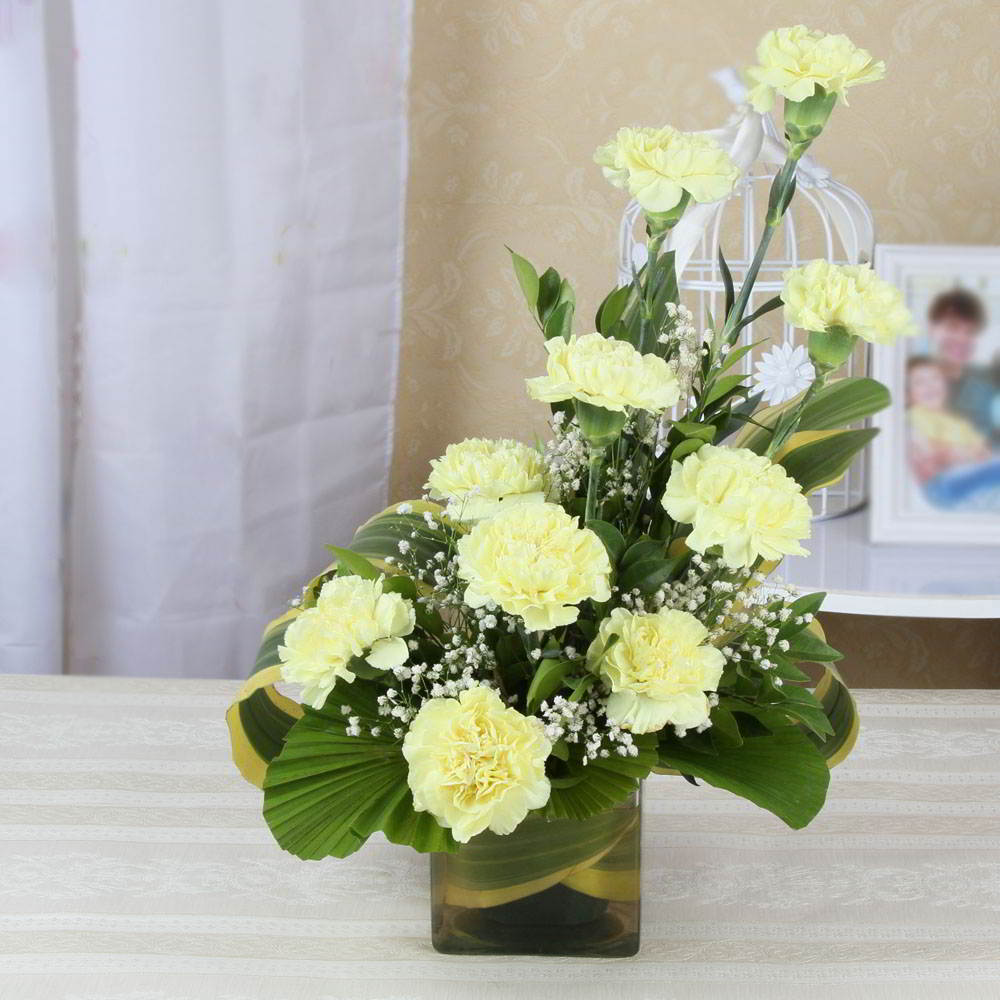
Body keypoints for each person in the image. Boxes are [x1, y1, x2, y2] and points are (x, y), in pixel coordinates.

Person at [925, 289, 996, 444]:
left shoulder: (987, 383)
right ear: (931, 329)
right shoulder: (908, 382)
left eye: (970, 331)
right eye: (953, 327)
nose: (962, 338)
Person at [906, 356, 989, 485]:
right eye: (920, 382)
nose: (930, 386)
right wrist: (964, 452)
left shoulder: (959, 422)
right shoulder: (916, 416)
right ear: (908, 394)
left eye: (935, 378)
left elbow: (982, 451)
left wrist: (966, 453)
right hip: (948, 481)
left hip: (972, 475)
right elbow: (934, 450)